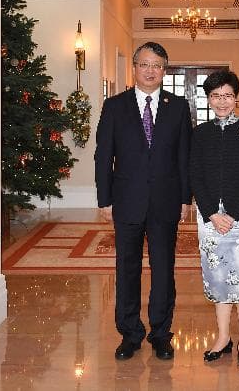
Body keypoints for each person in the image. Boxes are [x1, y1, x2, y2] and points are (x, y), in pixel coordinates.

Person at [95, 41, 192, 361]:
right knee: (127, 268)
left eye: (158, 66)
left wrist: (185, 198)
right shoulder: (114, 106)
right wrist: (104, 199)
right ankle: (130, 333)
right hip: (126, 201)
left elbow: (184, 156)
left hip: (166, 201)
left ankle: (161, 334)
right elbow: (103, 156)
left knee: (163, 269)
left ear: (164, 70)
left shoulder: (178, 107)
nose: (151, 71)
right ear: (134, 67)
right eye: (145, 64)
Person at [189, 70, 239, 367]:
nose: (222, 101)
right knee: (218, 278)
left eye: (227, 95)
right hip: (209, 217)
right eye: (216, 96)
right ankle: (222, 337)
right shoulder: (199, 133)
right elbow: (195, 175)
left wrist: (230, 214)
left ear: (236, 98)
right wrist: (211, 213)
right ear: (208, 99)